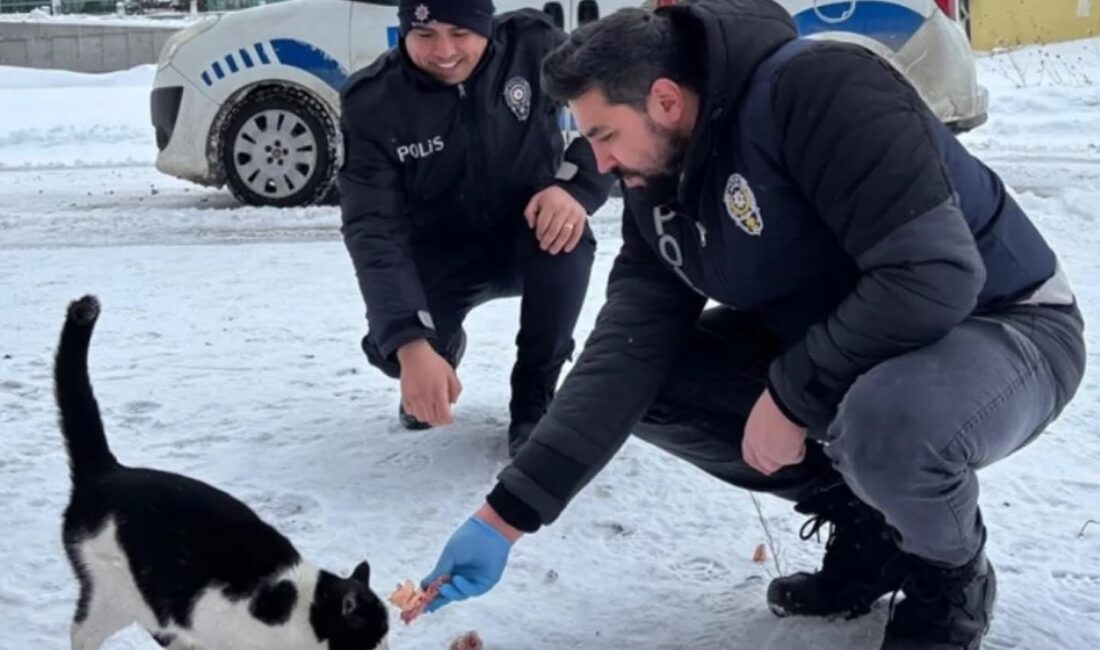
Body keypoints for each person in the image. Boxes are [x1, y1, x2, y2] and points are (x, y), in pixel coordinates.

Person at [416, 2, 1087, 649]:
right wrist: (504, 518)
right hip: (861, 342)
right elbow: (625, 352)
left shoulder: (820, 91)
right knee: (651, 382)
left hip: (1005, 324)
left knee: (887, 425)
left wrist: (794, 393)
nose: (601, 165)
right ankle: (875, 532)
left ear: (666, 100)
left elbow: (933, 277)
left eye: (603, 136)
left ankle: (950, 575)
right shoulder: (660, 184)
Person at [338, 0, 613, 455]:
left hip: (530, 231)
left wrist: (576, 187)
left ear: (485, 26)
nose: (444, 51)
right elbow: (372, 228)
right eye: (425, 35)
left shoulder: (534, 46)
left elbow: (612, 105)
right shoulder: (372, 102)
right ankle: (438, 358)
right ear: (404, 30)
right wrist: (410, 344)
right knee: (391, 347)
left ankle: (534, 395)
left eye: (460, 33)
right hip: (441, 254)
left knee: (568, 238)